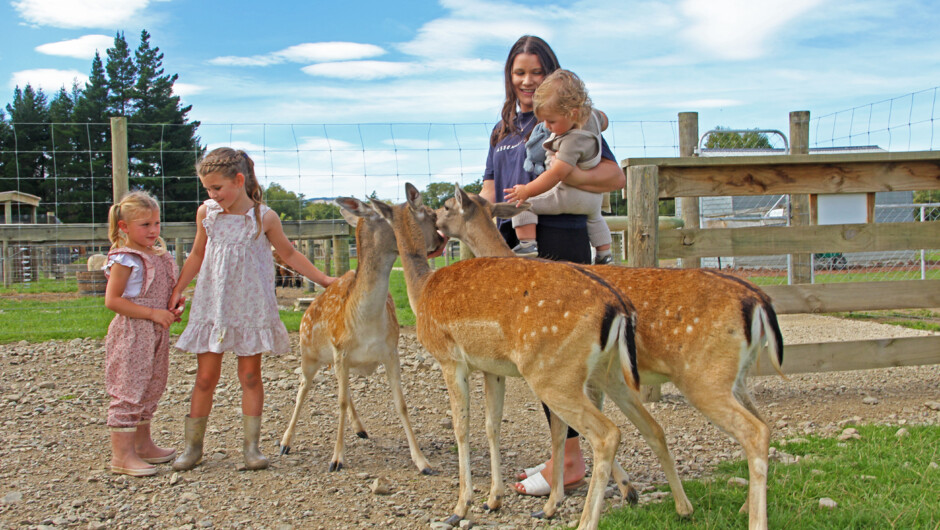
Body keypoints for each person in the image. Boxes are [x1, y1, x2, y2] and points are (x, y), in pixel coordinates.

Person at [480, 35, 626, 496]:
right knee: (535, 358)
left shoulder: (569, 119)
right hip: (513, 246)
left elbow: (614, 176)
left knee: (553, 355)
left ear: (551, 75)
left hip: (558, 239)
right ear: (509, 76)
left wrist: (566, 177)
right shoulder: (502, 130)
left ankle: (570, 461)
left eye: (535, 72)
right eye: (519, 72)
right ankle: (563, 454)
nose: (526, 80)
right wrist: (461, 227)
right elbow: (489, 188)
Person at [169, 147, 336, 471]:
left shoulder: (264, 217)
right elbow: (197, 255)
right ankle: (193, 447)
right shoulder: (207, 214)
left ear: (239, 180)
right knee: (205, 377)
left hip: (250, 309)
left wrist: (323, 279)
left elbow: (288, 254)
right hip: (213, 307)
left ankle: (252, 448)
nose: (213, 195)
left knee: (249, 375)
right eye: (208, 189)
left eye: (217, 188)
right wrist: (178, 288)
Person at [103, 190, 183, 477]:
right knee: (129, 386)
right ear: (124, 227)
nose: (153, 230)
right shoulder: (125, 259)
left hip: (156, 331)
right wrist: (151, 313)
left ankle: (143, 444)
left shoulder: (157, 255)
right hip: (133, 332)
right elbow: (113, 300)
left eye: (156, 224)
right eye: (145, 225)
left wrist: (170, 307)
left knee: (152, 383)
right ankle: (122, 456)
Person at [504, 68, 614, 264]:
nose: (546, 126)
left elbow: (557, 174)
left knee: (521, 205)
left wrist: (527, 190)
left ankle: (528, 244)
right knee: (595, 218)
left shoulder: (572, 141)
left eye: (551, 121)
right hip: (592, 201)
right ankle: (604, 254)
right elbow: (604, 119)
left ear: (573, 113)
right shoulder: (591, 117)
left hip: (568, 196)